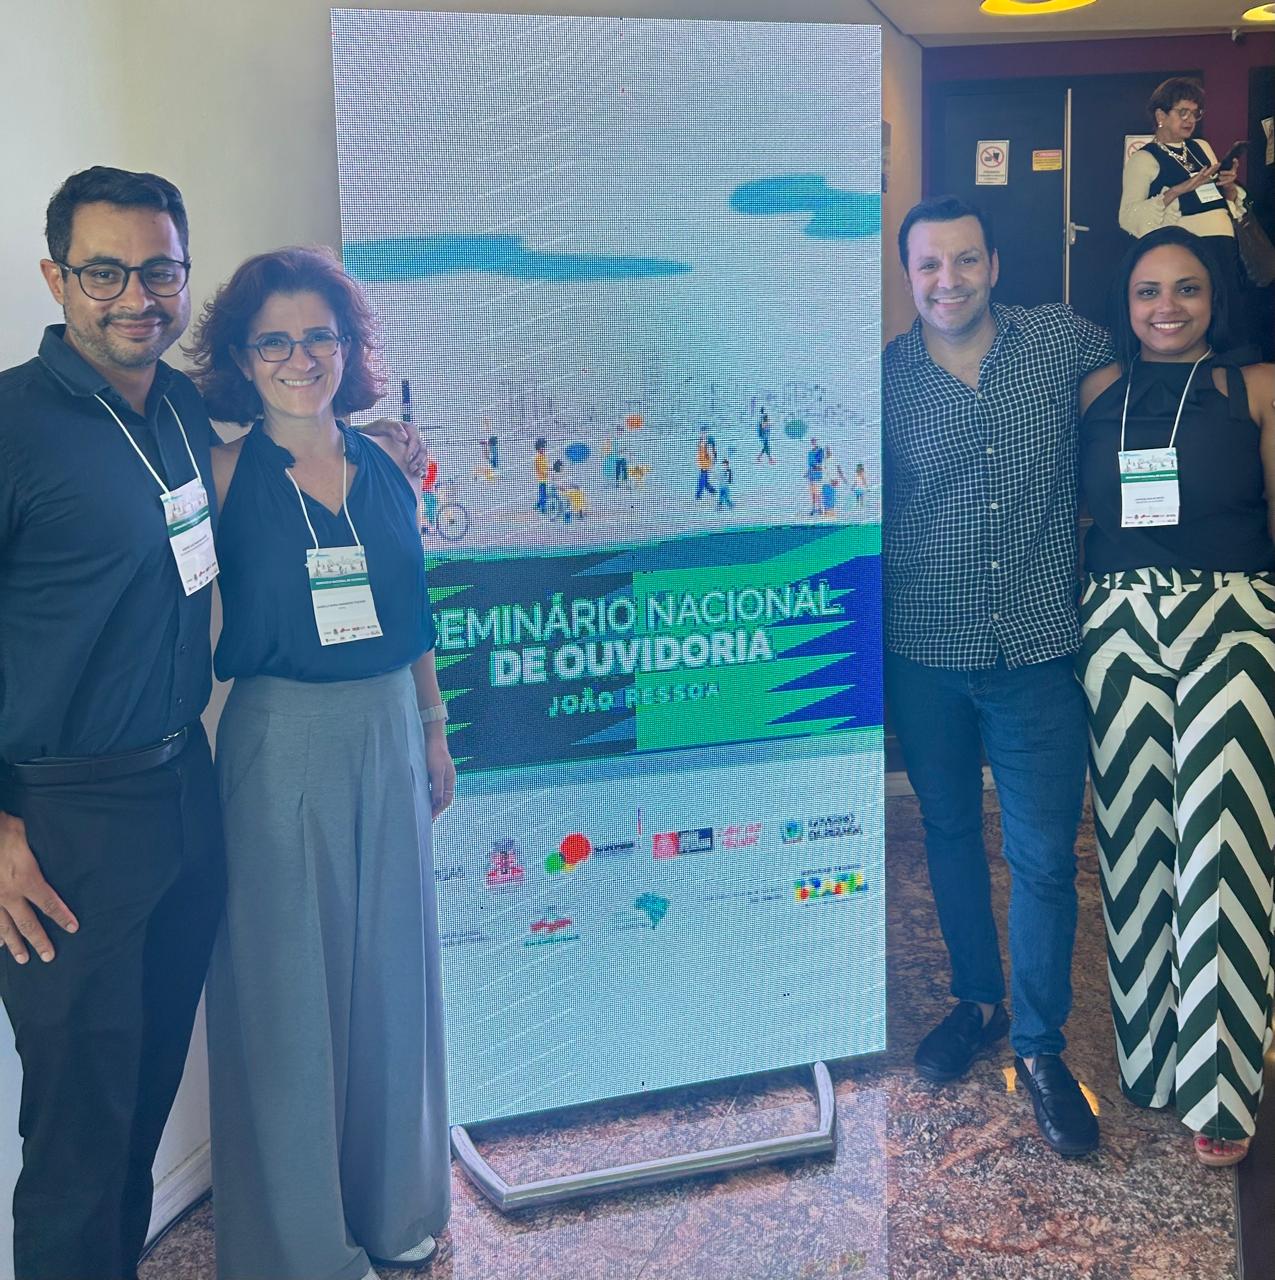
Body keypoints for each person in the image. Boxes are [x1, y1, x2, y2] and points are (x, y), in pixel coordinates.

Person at [188, 247, 454, 1280]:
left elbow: (413, 605)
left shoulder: (388, 464)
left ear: (349, 347)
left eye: (319, 337)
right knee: (286, 989)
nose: (300, 359)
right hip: (279, 740)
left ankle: (396, 1209)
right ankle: (301, 1248)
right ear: (241, 357)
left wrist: (433, 725)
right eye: (274, 342)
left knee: (392, 975)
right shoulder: (216, 476)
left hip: (389, 727)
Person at [0, 166, 227, 1280]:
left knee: (139, 1106)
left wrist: (369, 433)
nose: (136, 296)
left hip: (185, 790)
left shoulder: (177, 406)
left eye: (159, 271)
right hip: (61, 825)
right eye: (105, 272)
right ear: (56, 278)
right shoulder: (10, 423)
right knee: (78, 1142)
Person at [883, 195, 1112, 1158]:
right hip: (923, 649)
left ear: (994, 265)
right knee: (945, 833)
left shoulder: (1059, 342)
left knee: (1043, 856)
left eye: (965, 261)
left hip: (1036, 650)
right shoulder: (886, 379)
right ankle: (976, 1003)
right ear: (909, 276)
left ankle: (1041, 1048)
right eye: (929, 266)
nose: (949, 281)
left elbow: (1144, 386)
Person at [1076, 226, 1275, 1168]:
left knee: (1223, 846)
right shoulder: (1097, 392)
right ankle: (1150, 1063)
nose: (1167, 307)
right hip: (1116, 623)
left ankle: (1220, 1088)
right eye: (1148, 290)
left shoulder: (1256, 386)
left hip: (1232, 618)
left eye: (1187, 288)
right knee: (1133, 848)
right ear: (1126, 302)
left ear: (1213, 298)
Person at [1117, 77, 1256, 355]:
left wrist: (1228, 186)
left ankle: (1233, 368)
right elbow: (1127, 217)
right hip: (1190, 248)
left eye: (1195, 113)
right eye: (1183, 112)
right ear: (1161, 116)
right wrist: (1179, 190)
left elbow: (1220, 200)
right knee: (1202, 311)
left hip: (1224, 244)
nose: (1190, 120)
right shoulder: (1143, 159)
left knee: (1228, 309)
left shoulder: (1201, 147)